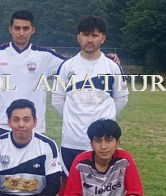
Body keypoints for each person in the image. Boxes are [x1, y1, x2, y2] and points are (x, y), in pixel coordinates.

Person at [0, 10, 67, 143]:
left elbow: (75, 66)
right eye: (17, 28)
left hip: (32, 126)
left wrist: (100, 58)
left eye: (25, 28)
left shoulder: (44, 56)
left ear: (32, 30)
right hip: (2, 124)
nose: (21, 33)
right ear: (10, 29)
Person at [51, 15, 128, 174]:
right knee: (70, 185)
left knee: (102, 184)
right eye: (85, 35)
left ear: (103, 38)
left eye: (94, 35)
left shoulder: (113, 67)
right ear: (78, 37)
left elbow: (121, 99)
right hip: (72, 141)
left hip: (102, 141)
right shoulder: (66, 66)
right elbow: (57, 100)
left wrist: (105, 119)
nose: (89, 39)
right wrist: (73, 118)